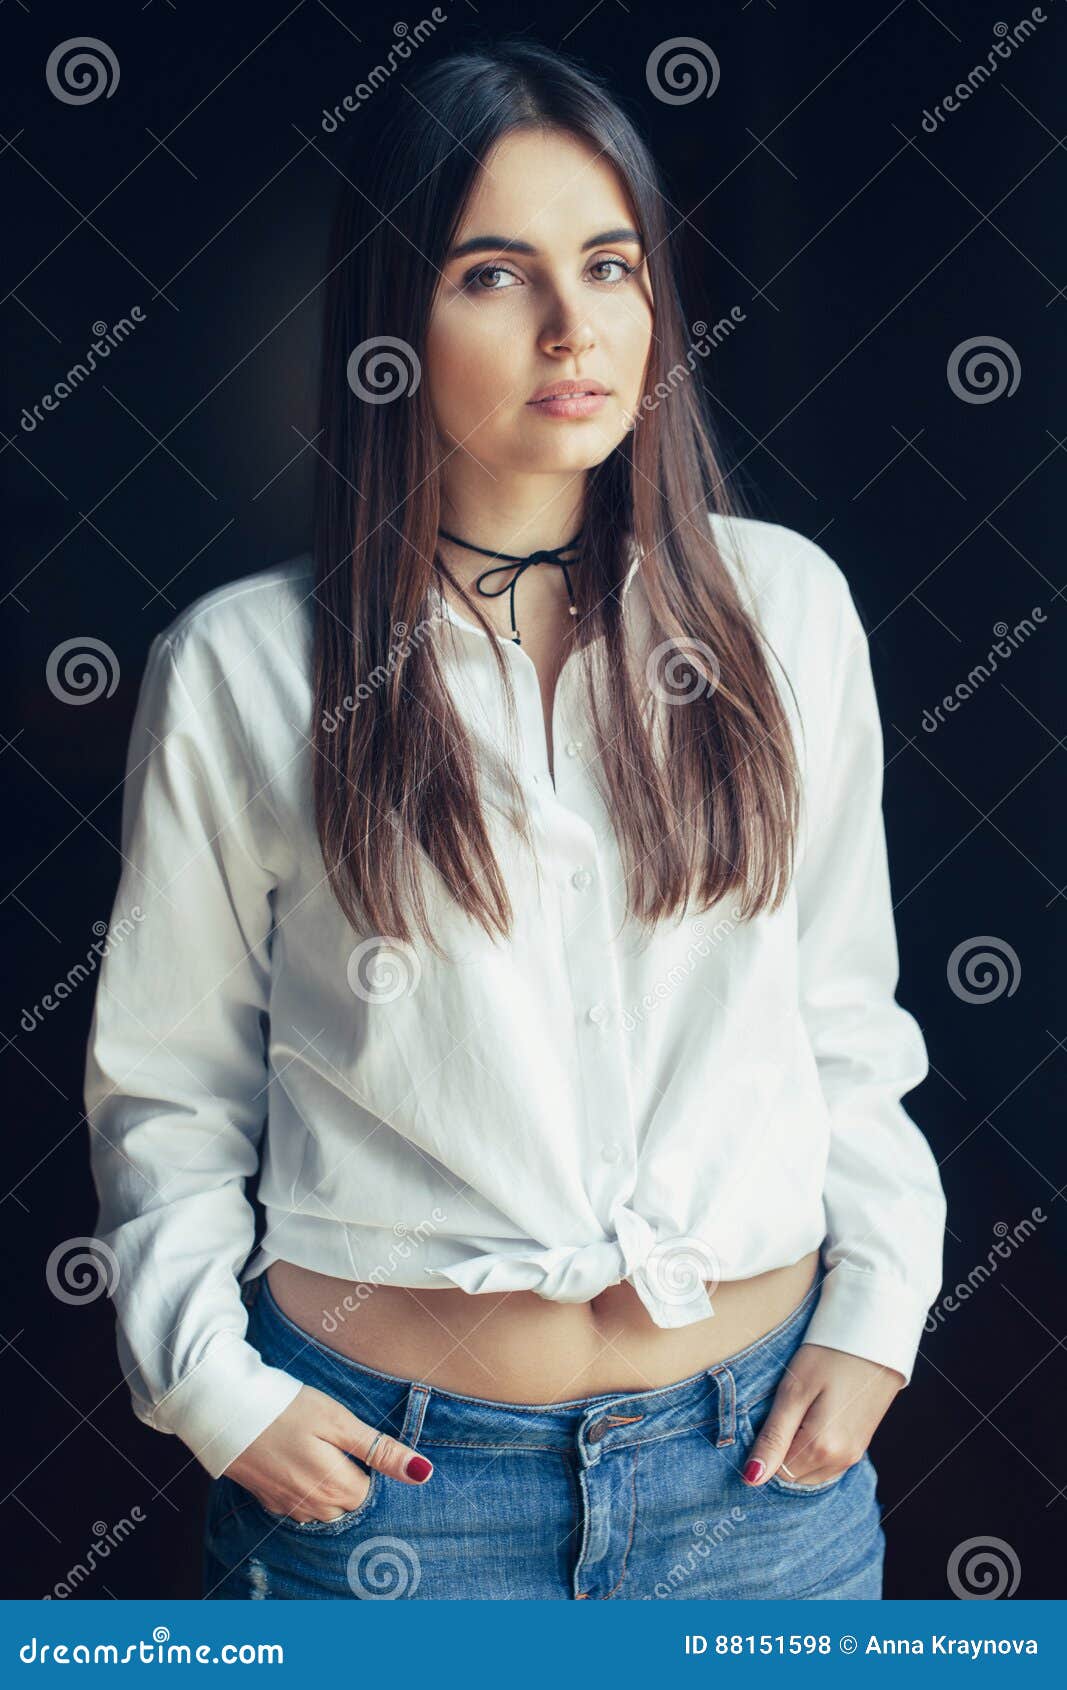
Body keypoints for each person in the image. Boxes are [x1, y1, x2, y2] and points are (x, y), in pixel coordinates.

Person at [83, 39, 946, 1601]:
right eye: (494, 273)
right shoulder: (240, 666)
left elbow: (843, 1017)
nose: (574, 326)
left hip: (761, 1478)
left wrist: (882, 1309)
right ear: (389, 325)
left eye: (610, 265)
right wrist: (213, 1385)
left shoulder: (789, 610)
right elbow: (164, 1087)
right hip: (393, 1493)